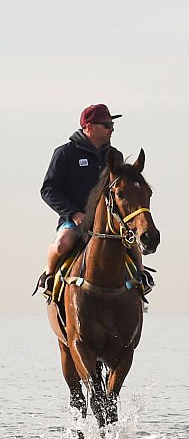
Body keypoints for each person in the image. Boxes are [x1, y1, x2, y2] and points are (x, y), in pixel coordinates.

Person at [37, 103, 149, 299]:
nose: (111, 129)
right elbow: (48, 190)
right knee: (63, 243)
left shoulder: (115, 156)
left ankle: (142, 276)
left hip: (108, 222)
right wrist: (73, 213)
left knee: (133, 243)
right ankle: (48, 275)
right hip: (74, 220)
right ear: (89, 127)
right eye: (106, 125)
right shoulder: (65, 153)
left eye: (112, 125)